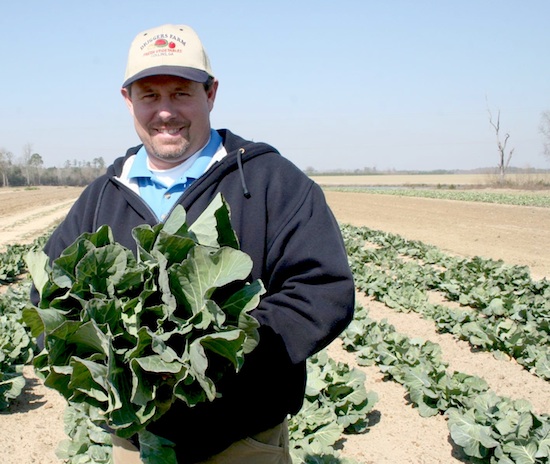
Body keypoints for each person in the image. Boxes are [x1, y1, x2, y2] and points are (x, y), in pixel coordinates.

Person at [34, 24, 355, 463]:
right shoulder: (103, 196)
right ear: (128, 100)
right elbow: (49, 297)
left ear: (211, 93)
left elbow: (322, 289)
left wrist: (226, 350)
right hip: (137, 445)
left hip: (242, 441)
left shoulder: (271, 182)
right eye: (150, 95)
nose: (165, 112)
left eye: (181, 93)